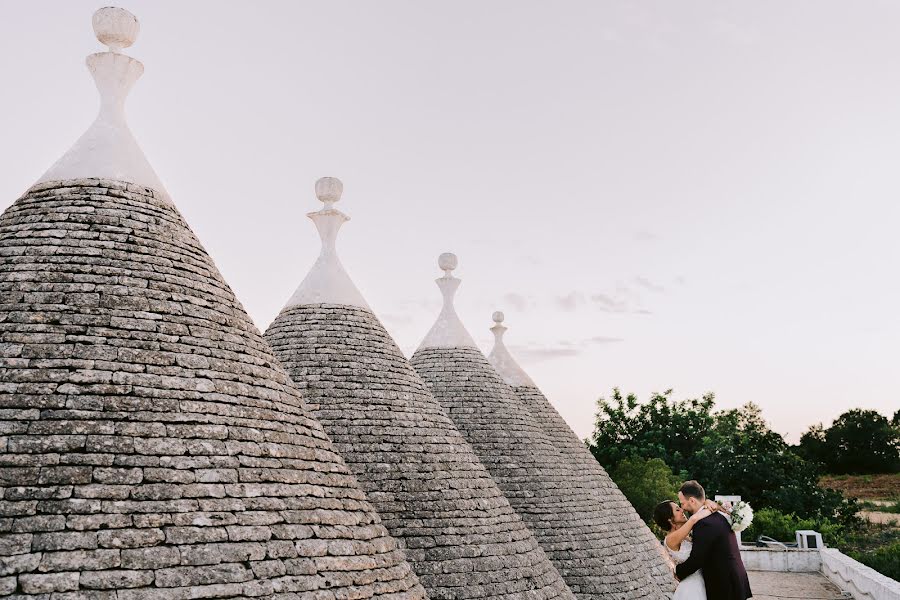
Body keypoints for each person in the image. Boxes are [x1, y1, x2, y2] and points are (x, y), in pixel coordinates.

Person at [675, 480, 752, 600]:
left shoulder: (704, 523)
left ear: (692, 501)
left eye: (682, 503)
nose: (682, 508)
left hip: (725, 585)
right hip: (734, 578)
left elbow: (697, 559)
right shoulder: (716, 515)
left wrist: (677, 572)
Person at [653, 496, 715, 599]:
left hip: (703, 582)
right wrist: (711, 507)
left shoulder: (685, 534)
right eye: (677, 509)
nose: (682, 510)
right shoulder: (670, 539)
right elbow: (694, 519)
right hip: (691, 588)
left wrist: (707, 501)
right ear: (669, 519)